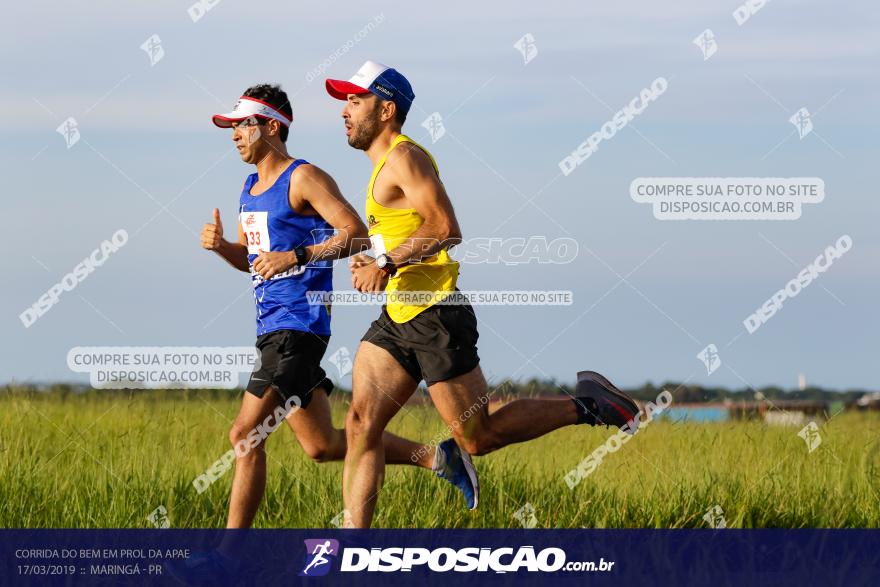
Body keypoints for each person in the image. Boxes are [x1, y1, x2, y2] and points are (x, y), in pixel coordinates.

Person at [325, 61, 642, 528]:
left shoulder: (404, 158)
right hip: (397, 318)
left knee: (478, 435)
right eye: (344, 102)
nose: (345, 111)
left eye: (356, 101)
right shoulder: (381, 168)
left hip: (435, 318)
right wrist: (372, 258)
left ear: (386, 108)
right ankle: (351, 553)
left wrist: (388, 263)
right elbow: (407, 229)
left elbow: (445, 228)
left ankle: (589, 404)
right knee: (360, 428)